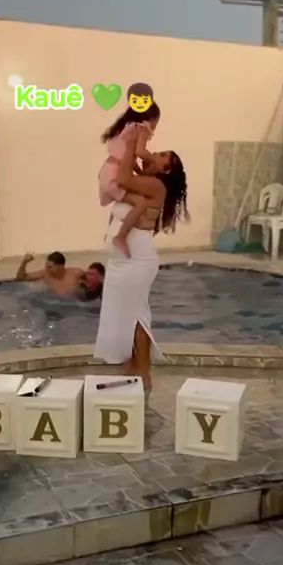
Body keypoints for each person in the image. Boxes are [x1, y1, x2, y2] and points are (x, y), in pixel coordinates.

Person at [94, 111, 189, 393]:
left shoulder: (155, 184)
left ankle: (144, 372)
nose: (154, 154)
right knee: (127, 314)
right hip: (125, 260)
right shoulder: (147, 180)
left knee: (136, 314)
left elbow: (122, 177)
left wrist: (130, 145)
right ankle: (134, 366)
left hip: (136, 260)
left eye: (161, 155)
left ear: (166, 170)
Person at [98, 102, 161, 257]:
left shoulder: (128, 128)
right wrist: (154, 160)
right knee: (140, 203)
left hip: (108, 170)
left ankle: (111, 232)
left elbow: (130, 160)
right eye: (156, 122)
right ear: (151, 118)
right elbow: (140, 152)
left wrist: (140, 172)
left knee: (124, 202)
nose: (155, 126)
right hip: (114, 174)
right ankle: (120, 237)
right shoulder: (142, 128)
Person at [16, 251, 85, 296]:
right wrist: (24, 262)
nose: (47, 269)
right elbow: (21, 278)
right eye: (46, 265)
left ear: (61, 267)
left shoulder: (76, 273)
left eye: (50, 267)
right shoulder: (45, 274)